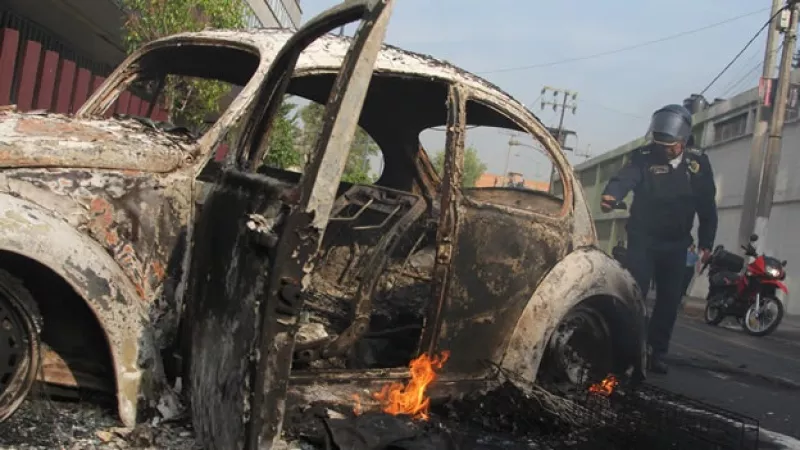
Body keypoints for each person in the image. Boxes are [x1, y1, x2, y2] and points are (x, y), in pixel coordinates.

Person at [600, 104, 718, 374]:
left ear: (684, 141)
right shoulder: (643, 157)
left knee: (669, 300)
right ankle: (626, 348)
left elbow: (707, 206)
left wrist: (706, 243)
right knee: (635, 293)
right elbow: (624, 178)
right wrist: (612, 195)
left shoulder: (698, 165)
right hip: (643, 238)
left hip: (676, 244)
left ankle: (655, 352)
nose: (664, 150)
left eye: (670, 145)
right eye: (660, 143)